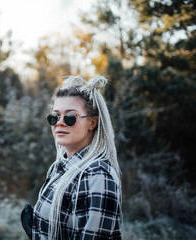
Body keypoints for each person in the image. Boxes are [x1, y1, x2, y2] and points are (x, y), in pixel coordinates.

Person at [22, 75, 122, 240]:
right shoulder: (61, 167)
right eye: (54, 117)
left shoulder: (97, 175)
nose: (59, 123)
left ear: (92, 123)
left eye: (70, 118)